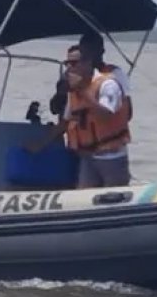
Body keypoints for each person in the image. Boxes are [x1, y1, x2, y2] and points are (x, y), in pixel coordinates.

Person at [28, 43, 132, 188]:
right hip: (88, 157)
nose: (70, 68)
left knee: (114, 196)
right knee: (84, 191)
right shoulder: (73, 92)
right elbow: (65, 122)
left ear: (87, 63)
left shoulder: (107, 84)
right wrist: (41, 144)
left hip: (111, 157)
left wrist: (83, 91)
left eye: (74, 63)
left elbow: (106, 114)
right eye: (67, 63)